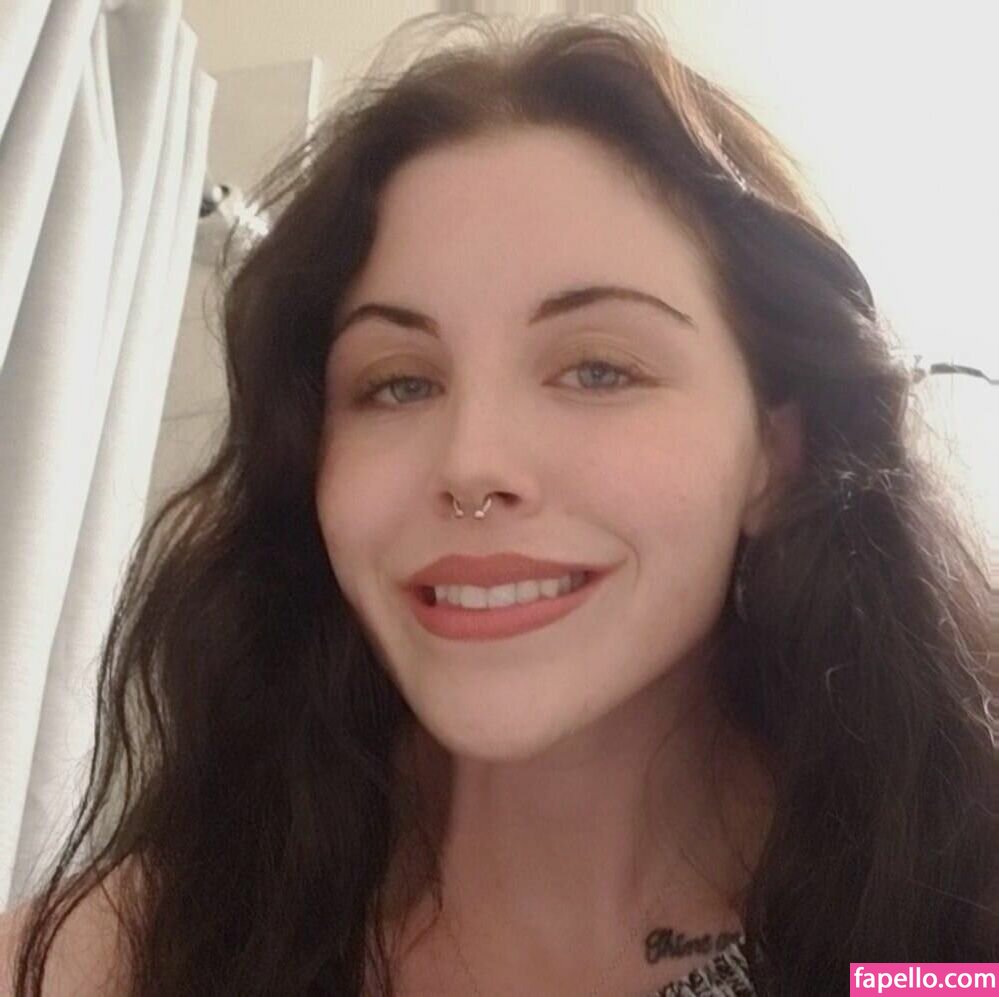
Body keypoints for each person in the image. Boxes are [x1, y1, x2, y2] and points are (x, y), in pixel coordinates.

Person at [3, 12, 996, 997]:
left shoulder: (942, 941)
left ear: (776, 454)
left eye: (598, 369)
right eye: (398, 383)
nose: (472, 463)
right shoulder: (108, 960)